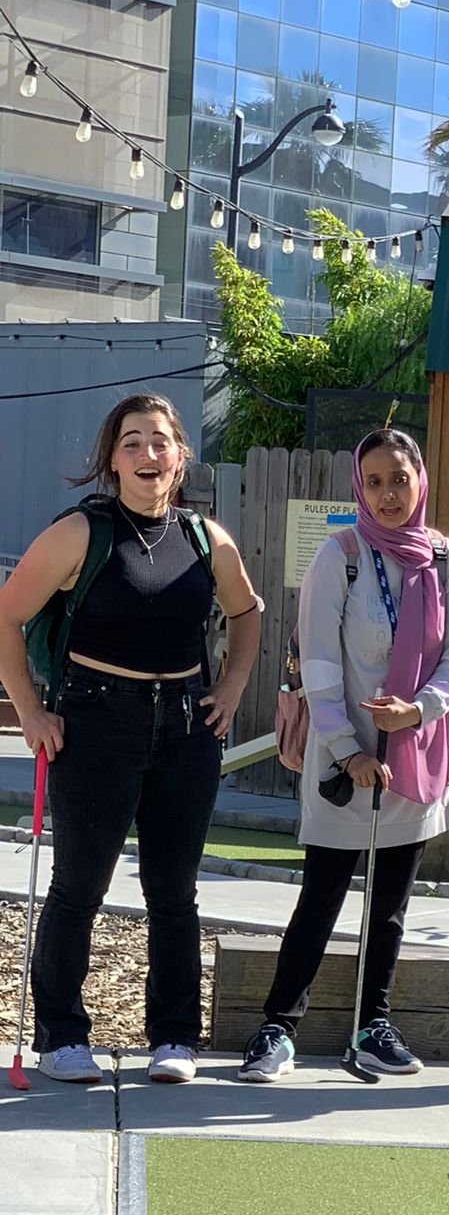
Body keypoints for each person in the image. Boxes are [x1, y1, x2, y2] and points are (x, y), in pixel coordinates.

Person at [0, 392, 262, 1084]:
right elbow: (6, 619)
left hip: (185, 727)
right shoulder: (79, 535)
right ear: (110, 461)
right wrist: (29, 710)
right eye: (131, 443)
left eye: (160, 442)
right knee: (78, 886)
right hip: (93, 724)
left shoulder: (208, 540)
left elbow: (248, 614)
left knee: (174, 892)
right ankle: (62, 1037)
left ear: (181, 456)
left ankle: (174, 1040)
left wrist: (231, 689)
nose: (148, 454)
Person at [235, 428, 449, 1082]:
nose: (389, 493)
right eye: (374, 482)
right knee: (320, 897)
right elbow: (318, 662)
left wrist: (417, 713)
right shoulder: (338, 557)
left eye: (399, 478)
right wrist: (348, 751)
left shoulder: (447, 562)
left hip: (413, 757)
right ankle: (276, 1029)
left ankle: (373, 1028)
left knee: (390, 908)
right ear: (358, 488)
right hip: (345, 764)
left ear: (419, 479)